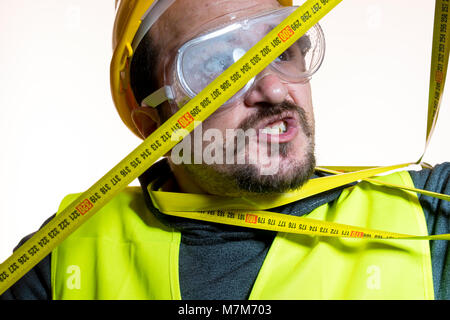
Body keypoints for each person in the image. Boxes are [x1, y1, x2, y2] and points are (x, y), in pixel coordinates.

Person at [1, 0, 449, 300]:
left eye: (283, 49)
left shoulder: (428, 216)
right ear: (153, 124)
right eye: (220, 68)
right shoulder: (66, 252)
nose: (275, 88)